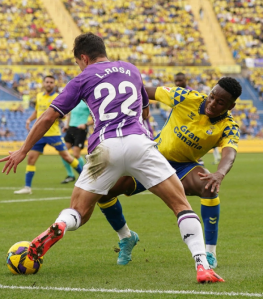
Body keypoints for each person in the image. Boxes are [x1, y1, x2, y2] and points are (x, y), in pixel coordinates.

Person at [0, 33, 224, 283]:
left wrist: (22, 150)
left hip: (105, 147)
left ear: (83, 58)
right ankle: (203, 266)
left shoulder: (82, 78)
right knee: (181, 206)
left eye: (77, 62)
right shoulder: (131, 69)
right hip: (140, 144)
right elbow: (145, 110)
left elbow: (48, 117)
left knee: (79, 211)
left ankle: (61, 225)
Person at [97, 77, 241, 269]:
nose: (212, 103)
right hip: (151, 158)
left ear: (231, 106)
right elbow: (144, 90)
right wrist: (137, 110)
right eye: (212, 97)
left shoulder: (228, 126)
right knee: (103, 192)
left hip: (183, 167)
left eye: (220, 102)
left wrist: (220, 173)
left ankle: (210, 253)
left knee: (209, 187)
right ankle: (126, 237)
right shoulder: (186, 97)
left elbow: (230, 152)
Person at [15, 76, 83, 195]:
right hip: (39, 134)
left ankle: (84, 179)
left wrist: (62, 117)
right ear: (43, 83)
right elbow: (37, 111)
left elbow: (63, 114)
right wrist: (29, 120)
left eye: (51, 82)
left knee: (67, 157)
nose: (49, 84)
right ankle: (27, 187)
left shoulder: (58, 97)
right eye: (47, 82)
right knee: (31, 159)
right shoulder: (39, 96)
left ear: (54, 84)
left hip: (53, 133)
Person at [173, 72, 222, 165]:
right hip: (181, 128)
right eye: (176, 81)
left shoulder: (192, 94)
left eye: (180, 80)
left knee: (192, 158)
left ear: (185, 81)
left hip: (191, 128)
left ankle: (201, 167)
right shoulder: (175, 93)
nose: (177, 83)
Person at [60, 99, 92, 184]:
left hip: (81, 130)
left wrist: (85, 125)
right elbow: (70, 114)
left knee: (76, 154)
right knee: (63, 153)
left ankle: (84, 175)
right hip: (71, 129)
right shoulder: (74, 100)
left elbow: (95, 118)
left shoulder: (88, 102)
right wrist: (66, 125)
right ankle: (70, 175)